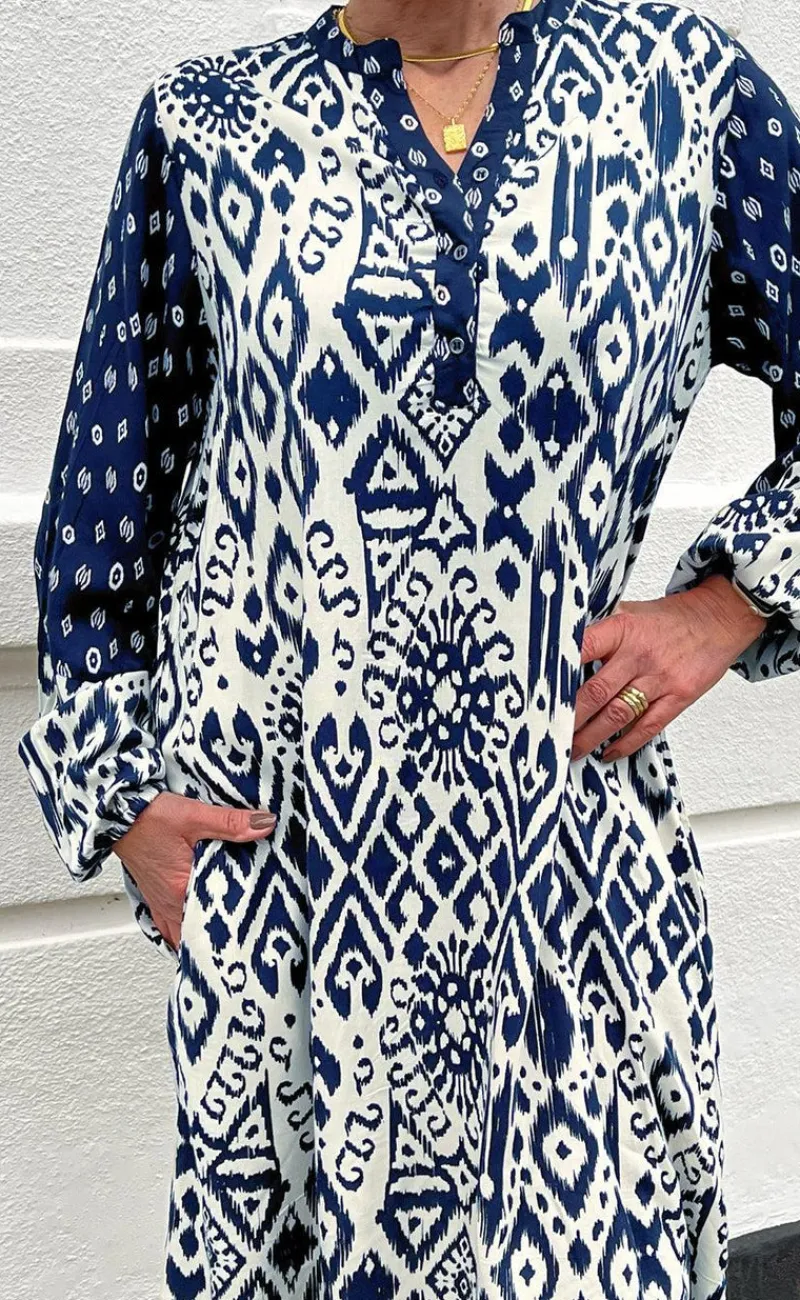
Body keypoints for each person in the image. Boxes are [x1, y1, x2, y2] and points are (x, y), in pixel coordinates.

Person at [18, 0, 800, 1295]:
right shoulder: (209, 125)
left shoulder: (682, 96)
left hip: (564, 857)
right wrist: (121, 800)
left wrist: (727, 606)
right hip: (292, 880)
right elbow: (109, 490)